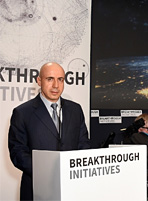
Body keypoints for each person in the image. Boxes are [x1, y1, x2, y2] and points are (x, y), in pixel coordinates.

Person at [8, 62, 90, 201]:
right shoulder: (22, 113)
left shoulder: (75, 109)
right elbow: (18, 153)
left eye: (60, 79)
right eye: (50, 79)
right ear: (39, 80)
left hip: (72, 188)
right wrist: (48, 173)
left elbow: (83, 144)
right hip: (37, 189)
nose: (56, 86)